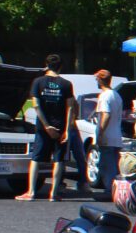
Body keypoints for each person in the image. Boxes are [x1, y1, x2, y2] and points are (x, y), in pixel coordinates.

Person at [19, 55, 79, 201]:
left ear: (46, 65)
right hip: (60, 127)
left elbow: (36, 105)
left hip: (43, 127)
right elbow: (70, 107)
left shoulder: (38, 82)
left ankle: (31, 192)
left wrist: (46, 126)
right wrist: (66, 129)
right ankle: (54, 193)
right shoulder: (66, 84)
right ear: (60, 67)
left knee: (36, 158)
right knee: (59, 159)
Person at [91, 69, 123, 201]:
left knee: (107, 165)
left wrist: (101, 133)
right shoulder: (116, 94)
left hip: (108, 137)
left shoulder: (104, 96)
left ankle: (110, 191)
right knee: (114, 165)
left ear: (100, 80)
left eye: (97, 79)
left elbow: (106, 114)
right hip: (116, 136)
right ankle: (113, 189)